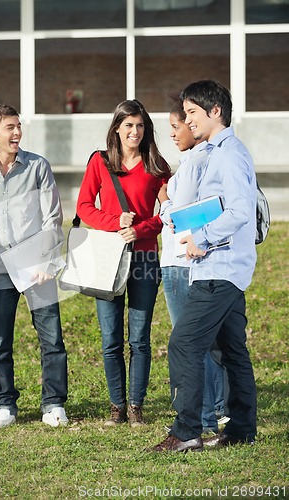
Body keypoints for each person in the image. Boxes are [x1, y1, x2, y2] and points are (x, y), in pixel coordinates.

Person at [151, 79, 257, 452]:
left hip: (220, 268)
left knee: (183, 343)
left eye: (193, 112)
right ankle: (242, 428)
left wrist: (202, 238)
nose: (188, 119)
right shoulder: (217, 152)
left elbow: (241, 210)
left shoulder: (227, 154)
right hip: (220, 267)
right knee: (231, 350)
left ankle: (186, 432)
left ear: (216, 112)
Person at [0, 104, 68, 429]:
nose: (17, 133)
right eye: (9, 127)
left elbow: (53, 217)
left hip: (36, 267)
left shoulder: (37, 166)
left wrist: (47, 261)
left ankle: (53, 403)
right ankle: (5, 405)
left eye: (18, 126)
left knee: (51, 337)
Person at [76, 99, 171, 427]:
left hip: (145, 257)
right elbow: (85, 206)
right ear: (116, 128)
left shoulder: (156, 163)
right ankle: (116, 407)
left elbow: (168, 213)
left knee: (140, 337)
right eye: (129, 125)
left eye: (140, 125)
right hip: (107, 257)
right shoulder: (100, 162)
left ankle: (136, 407)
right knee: (110, 338)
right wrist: (117, 222)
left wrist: (141, 228)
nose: (135, 131)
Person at [159, 99, 228, 435]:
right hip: (191, 261)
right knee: (206, 343)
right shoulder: (201, 159)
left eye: (178, 125)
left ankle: (204, 417)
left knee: (188, 344)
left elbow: (178, 214)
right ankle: (217, 411)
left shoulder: (194, 161)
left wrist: (164, 204)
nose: (173, 134)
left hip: (180, 261)